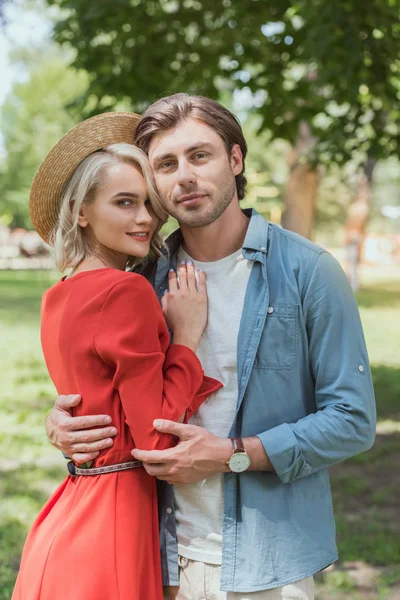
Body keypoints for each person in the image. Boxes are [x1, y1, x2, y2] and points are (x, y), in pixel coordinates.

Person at [46, 95, 376, 600]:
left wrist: (231, 455)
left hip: (268, 564)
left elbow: (352, 419)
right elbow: (115, 390)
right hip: (156, 562)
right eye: (166, 164)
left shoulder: (308, 271)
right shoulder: (139, 282)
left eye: (200, 156)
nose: (185, 177)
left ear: (236, 160)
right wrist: (64, 422)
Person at [12, 111, 222, 600]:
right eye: (125, 203)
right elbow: (156, 437)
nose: (146, 218)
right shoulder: (126, 291)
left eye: (149, 203)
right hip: (114, 519)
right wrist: (186, 338)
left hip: (70, 509)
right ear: (80, 212)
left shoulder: (57, 295)